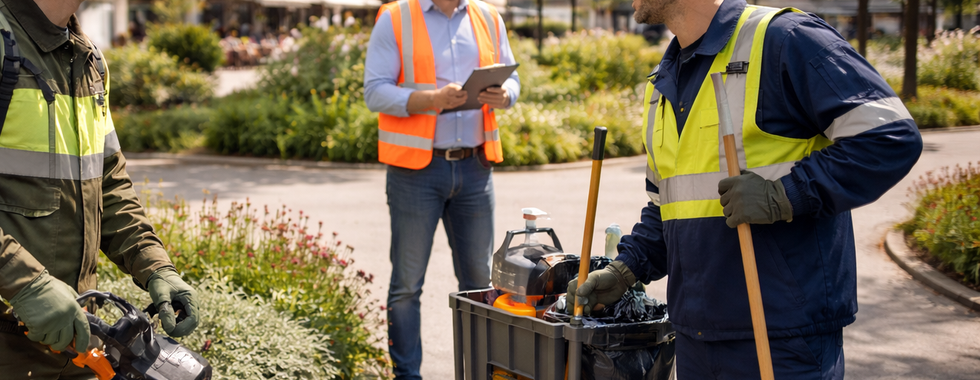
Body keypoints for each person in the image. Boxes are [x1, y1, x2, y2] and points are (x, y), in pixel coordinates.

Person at [566, 0, 922, 379]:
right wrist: (627, 270)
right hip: (695, 336)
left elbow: (889, 136)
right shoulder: (662, 82)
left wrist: (785, 195)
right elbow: (669, 204)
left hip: (780, 336)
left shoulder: (785, 39)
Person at [0, 0, 200, 378]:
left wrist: (154, 265)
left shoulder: (85, 57)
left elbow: (108, 184)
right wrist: (26, 283)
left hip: (77, 344)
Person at [363, 0, 519, 378]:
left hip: (475, 169)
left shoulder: (488, 16)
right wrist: (430, 100)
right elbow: (375, 92)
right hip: (416, 172)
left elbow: (512, 79)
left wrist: (507, 94)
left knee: (480, 286)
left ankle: (481, 371)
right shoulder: (395, 17)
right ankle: (407, 375)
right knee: (406, 285)